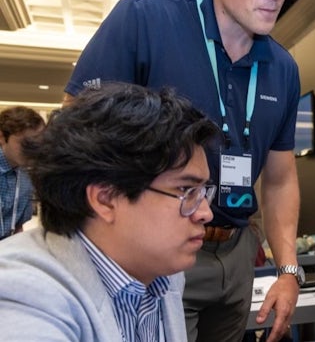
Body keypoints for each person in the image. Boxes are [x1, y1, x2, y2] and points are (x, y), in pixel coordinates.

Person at [64, 0, 303, 342]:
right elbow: (77, 135)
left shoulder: (283, 68)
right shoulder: (143, 20)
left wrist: (288, 268)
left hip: (235, 255)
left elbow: (279, 179)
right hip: (154, 256)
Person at [0, 83, 219, 341]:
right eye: (186, 190)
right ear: (105, 199)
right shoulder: (23, 294)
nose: (205, 213)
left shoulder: (162, 274)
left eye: (203, 191)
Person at [0, 106, 44, 240]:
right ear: (1, 137)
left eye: (37, 143)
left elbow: (17, 225)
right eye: (24, 143)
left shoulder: (27, 174)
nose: (31, 150)